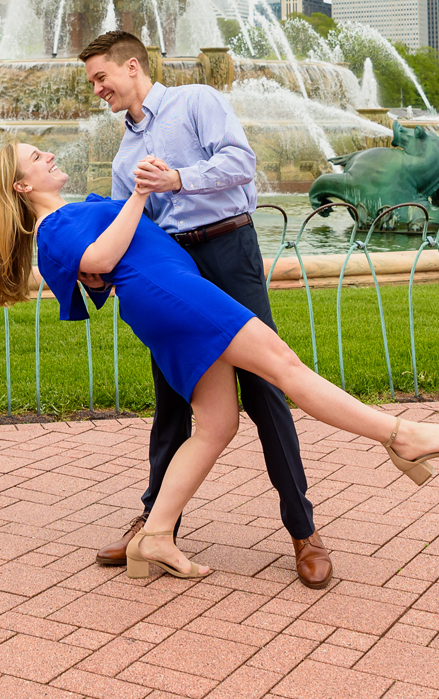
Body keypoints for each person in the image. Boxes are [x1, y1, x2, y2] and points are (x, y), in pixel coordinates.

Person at [0, 139, 439, 583]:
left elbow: (102, 262)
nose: (50, 156)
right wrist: (141, 195)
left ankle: (157, 534)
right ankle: (400, 436)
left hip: (166, 297)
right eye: (37, 158)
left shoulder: (65, 217)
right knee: (285, 367)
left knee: (216, 424)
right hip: (172, 295)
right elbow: (100, 261)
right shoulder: (53, 225)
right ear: (20, 185)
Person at [76, 31, 328, 585]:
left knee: (265, 392)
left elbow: (242, 162)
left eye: (102, 77)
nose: (97, 89)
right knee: (171, 399)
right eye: (92, 81)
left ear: (133, 66)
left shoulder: (197, 101)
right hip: (174, 270)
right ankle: (154, 527)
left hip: (228, 248)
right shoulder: (123, 156)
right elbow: (129, 230)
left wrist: (179, 178)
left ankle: (303, 531)